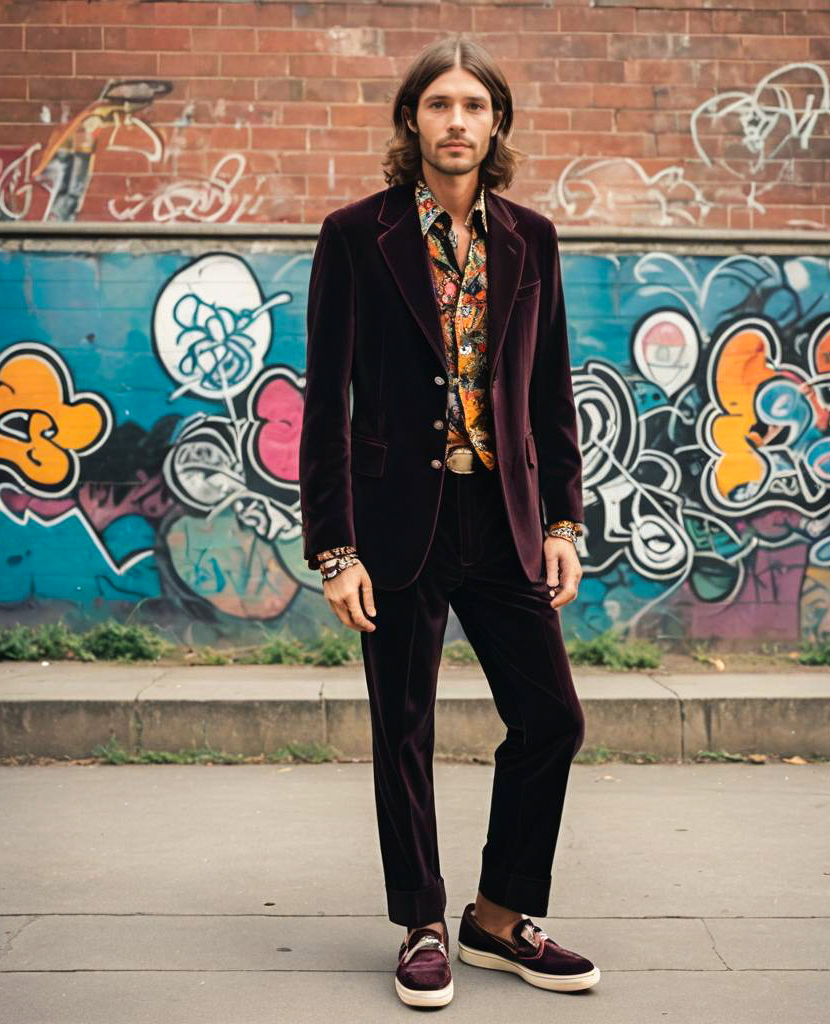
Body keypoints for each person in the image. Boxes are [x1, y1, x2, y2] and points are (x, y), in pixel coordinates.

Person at [298, 34, 600, 1008]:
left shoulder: (530, 237)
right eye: (439, 105)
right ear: (411, 120)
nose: (456, 121)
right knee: (404, 731)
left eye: (474, 105)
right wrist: (333, 546)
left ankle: (499, 916)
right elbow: (325, 397)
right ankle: (422, 922)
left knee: (551, 716)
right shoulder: (356, 234)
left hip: (504, 515)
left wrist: (563, 518)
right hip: (394, 524)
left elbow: (547, 389)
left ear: (497, 122)